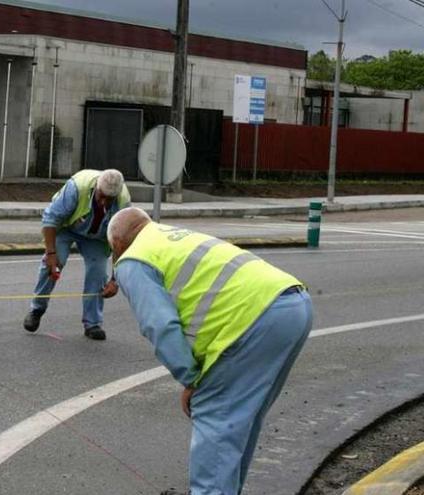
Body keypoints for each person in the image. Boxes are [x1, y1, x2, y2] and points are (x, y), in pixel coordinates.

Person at [106, 207, 313, 495]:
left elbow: (159, 325)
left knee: (216, 417)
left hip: (253, 320)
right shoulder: (170, 236)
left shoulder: (132, 259)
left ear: (116, 243)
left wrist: (191, 379)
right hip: (293, 304)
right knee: (241, 420)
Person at [22, 169, 130, 340]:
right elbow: (50, 220)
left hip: (97, 237)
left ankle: (92, 324)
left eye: (109, 200)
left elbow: (120, 241)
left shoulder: (123, 203)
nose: (103, 202)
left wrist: (115, 280)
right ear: (96, 187)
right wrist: (51, 253)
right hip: (67, 228)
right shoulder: (77, 188)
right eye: (101, 196)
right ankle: (37, 309)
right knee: (52, 264)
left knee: (98, 273)